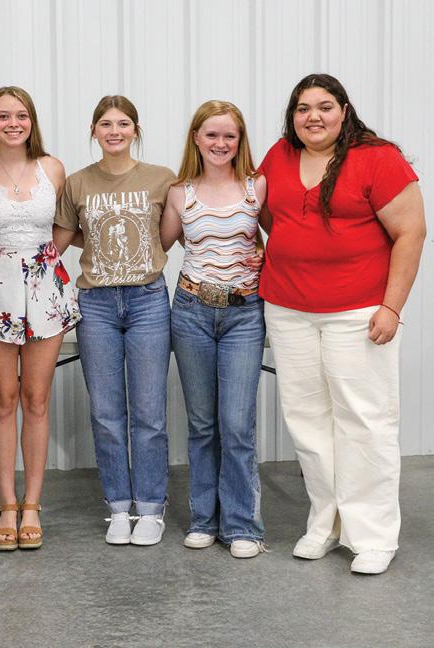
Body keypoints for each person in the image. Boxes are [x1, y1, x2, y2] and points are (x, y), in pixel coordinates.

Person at [258, 73, 425, 574]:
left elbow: (412, 232)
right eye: (303, 108)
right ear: (292, 116)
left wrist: (391, 307)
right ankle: (326, 524)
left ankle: (371, 537)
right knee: (307, 422)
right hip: (288, 309)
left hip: (359, 312)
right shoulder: (279, 156)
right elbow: (271, 218)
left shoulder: (377, 158)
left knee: (364, 421)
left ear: (345, 111)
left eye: (325, 106)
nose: (314, 116)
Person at [54, 95, 175, 546]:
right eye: (106, 124)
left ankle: (151, 508)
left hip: (147, 301)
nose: (115, 131)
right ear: (94, 131)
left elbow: (164, 238)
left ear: (135, 130)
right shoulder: (77, 183)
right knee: (106, 412)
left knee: (149, 413)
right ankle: (119, 507)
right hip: (97, 305)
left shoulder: (161, 178)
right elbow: (61, 240)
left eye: (123, 123)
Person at [0, 86, 80, 551]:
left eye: (21, 115)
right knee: (3, 401)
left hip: (45, 292)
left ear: (32, 121)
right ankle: (7, 505)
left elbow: (67, 223)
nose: (13, 123)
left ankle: (32, 504)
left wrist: (48, 258)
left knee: (36, 400)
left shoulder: (52, 167)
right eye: (4, 116)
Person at [160, 100, 267, 559]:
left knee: (236, 424)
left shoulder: (257, 186)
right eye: (212, 135)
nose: (220, 143)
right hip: (192, 312)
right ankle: (204, 519)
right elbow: (157, 246)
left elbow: (285, 238)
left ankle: (243, 526)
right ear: (196, 139)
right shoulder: (179, 193)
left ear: (240, 141)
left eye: (229, 136)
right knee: (203, 424)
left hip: (244, 313)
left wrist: (266, 255)